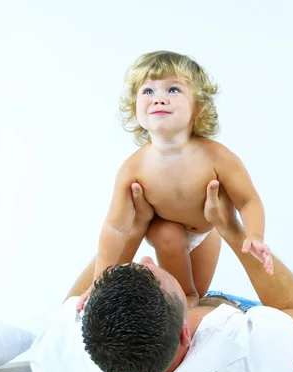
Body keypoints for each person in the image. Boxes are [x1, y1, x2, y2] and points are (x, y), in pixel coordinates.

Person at [30, 180, 293, 372]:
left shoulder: (58, 364)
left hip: (174, 314)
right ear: (189, 333)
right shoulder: (244, 361)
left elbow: (68, 306)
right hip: (249, 320)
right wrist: (232, 228)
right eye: (158, 270)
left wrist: (136, 225)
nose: (147, 256)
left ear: (88, 315)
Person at [76, 50, 273, 312]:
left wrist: (255, 235)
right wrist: (101, 280)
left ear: (198, 106)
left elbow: (248, 200)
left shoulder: (216, 156)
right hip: (164, 233)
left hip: (205, 233)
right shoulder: (133, 168)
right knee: (167, 237)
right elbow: (115, 228)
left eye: (172, 90)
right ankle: (180, 295)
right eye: (147, 91)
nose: (158, 98)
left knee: (195, 297)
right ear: (135, 108)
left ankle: (187, 297)